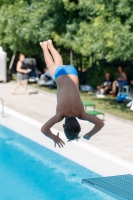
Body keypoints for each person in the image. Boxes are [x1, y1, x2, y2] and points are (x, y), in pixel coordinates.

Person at [40, 40, 104, 148]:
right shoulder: (60, 115)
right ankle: (44, 47)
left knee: (59, 64)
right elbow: (44, 129)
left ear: (78, 124)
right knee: (51, 65)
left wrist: (89, 135)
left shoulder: (82, 114)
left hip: (72, 72)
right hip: (60, 75)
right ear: (63, 125)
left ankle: (50, 44)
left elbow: (100, 124)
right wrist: (55, 138)